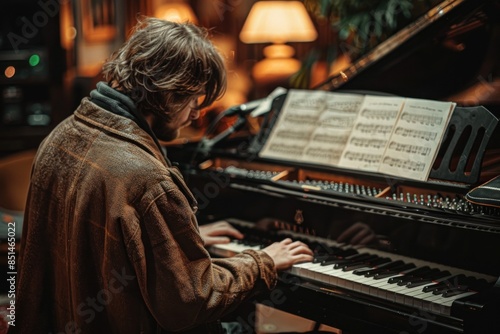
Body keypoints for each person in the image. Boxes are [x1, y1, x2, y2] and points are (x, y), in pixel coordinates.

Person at [13, 17, 314, 334]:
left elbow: (100, 244)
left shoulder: (60, 137)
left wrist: (172, 243)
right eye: (194, 99)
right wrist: (261, 261)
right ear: (169, 92)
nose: (196, 113)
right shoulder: (147, 179)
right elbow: (191, 300)